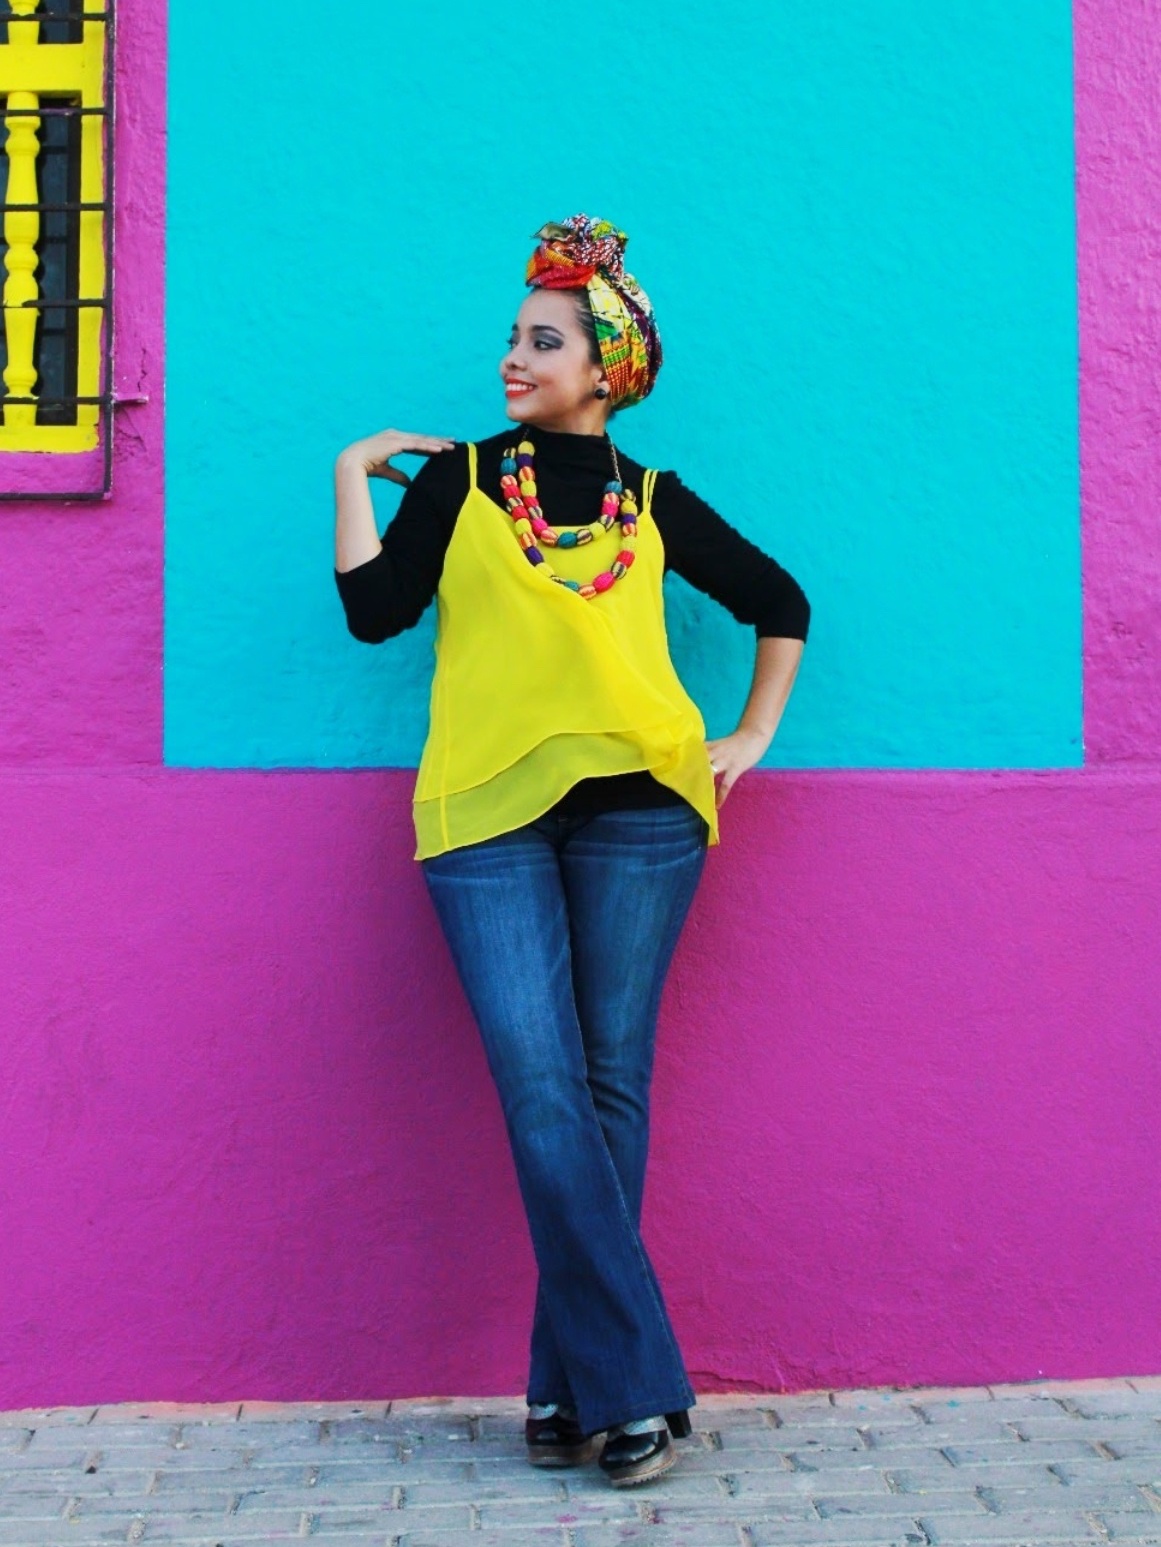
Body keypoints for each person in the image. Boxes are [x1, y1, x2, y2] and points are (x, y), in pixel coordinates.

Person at [333, 213, 810, 1487]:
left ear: (607, 368)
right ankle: (637, 1383)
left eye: (542, 341)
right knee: (544, 1088)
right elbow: (379, 617)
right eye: (512, 336)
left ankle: (568, 1387)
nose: (513, 357)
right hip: (483, 810)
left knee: (609, 1087)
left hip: (648, 809)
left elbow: (782, 601)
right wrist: (349, 473)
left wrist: (747, 735)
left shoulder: (653, 500)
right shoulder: (463, 480)